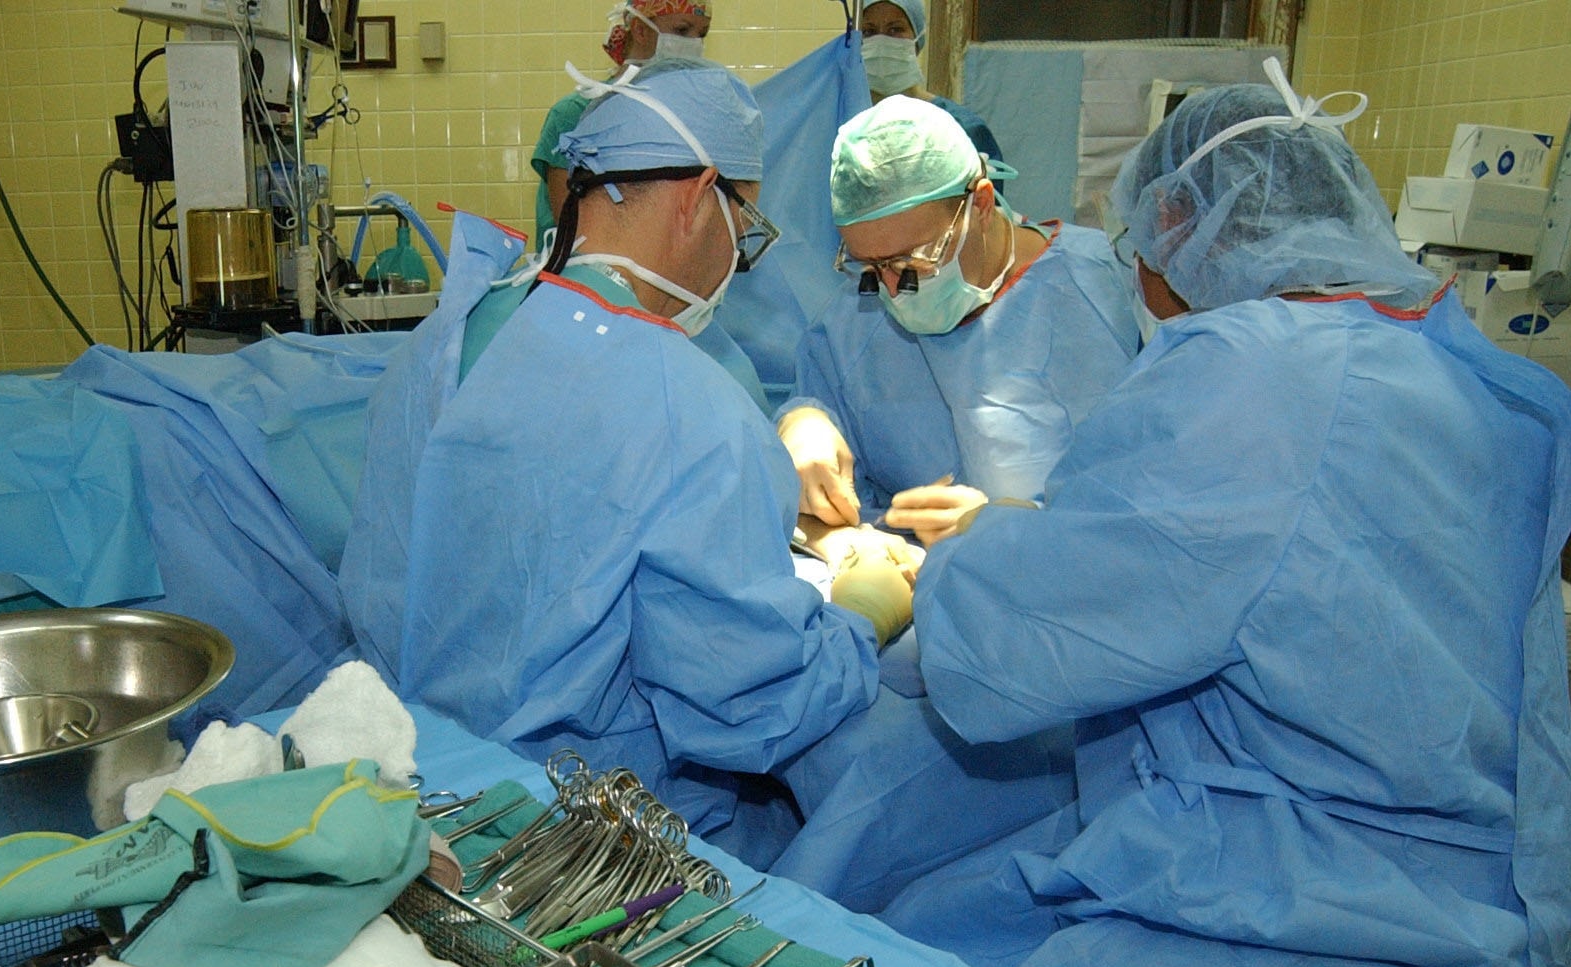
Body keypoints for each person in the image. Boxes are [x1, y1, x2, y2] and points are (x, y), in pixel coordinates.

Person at [888, 66, 1571, 967]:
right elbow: (1261, 564)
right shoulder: (1454, 360)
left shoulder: (1252, 367)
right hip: (1472, 911)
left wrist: (933, 573)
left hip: (1333, 953)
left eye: (1135, 258)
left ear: (1179, 235)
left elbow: (1033, 642)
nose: (1134, 284)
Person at [340, 60, 1056, 875]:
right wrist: (859, 615)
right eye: (745, 222)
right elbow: (752, 712)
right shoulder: (689, 405)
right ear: (696, 198)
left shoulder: (440, 339)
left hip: (403, 784)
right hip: (579, 840)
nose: (739, 254)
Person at [780, 95, 1138, 555]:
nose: (892, 288)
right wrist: (801, 420)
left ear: (982, 205)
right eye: (871, 266)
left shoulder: (1108, 289)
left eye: (914, 261)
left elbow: (1163, 495)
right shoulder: (852, 326)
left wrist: (1014, 530)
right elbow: (819, 465)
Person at [530, 1, 712, 247]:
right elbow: (572, 227)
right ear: (640, 29)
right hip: (583, 274)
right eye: (682, 30)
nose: (695, 44)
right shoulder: (574, 114)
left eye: (702, 34)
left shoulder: (683, 119)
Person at [856, 0, 1001, 163]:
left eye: (896, 29)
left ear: (918, 39)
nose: (881, 41)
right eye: (868, 31)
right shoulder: (842, 124)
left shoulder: (963, 129)